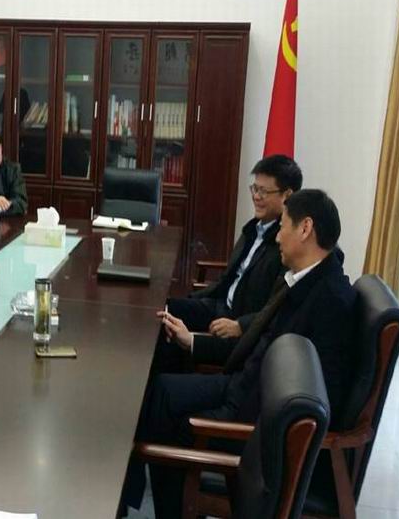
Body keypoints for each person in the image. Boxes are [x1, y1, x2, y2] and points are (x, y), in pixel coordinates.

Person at [138, 189, 356, 518]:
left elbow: (322, 397)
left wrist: (243, 410)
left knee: (169, 425)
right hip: (245, 385)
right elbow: (256, 342)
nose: (277, 237)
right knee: (160, 390)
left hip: (256, 418)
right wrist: (193, 341)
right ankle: (133, 493)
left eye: (283, 227)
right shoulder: (301, 279)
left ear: (305, 228)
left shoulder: (331, 301)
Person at [151, 155, 302, 376]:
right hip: (220, 305)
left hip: (238, 319)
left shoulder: (286, 247)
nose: (256, 197)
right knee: (162, 311)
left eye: (264, 192)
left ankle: (166, 384)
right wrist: (194, 299)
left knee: (166, 336)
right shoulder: (254, 229)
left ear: (287, 195)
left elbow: (275, 309)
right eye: (254, 189)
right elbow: (227, 280)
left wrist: (241, 324)